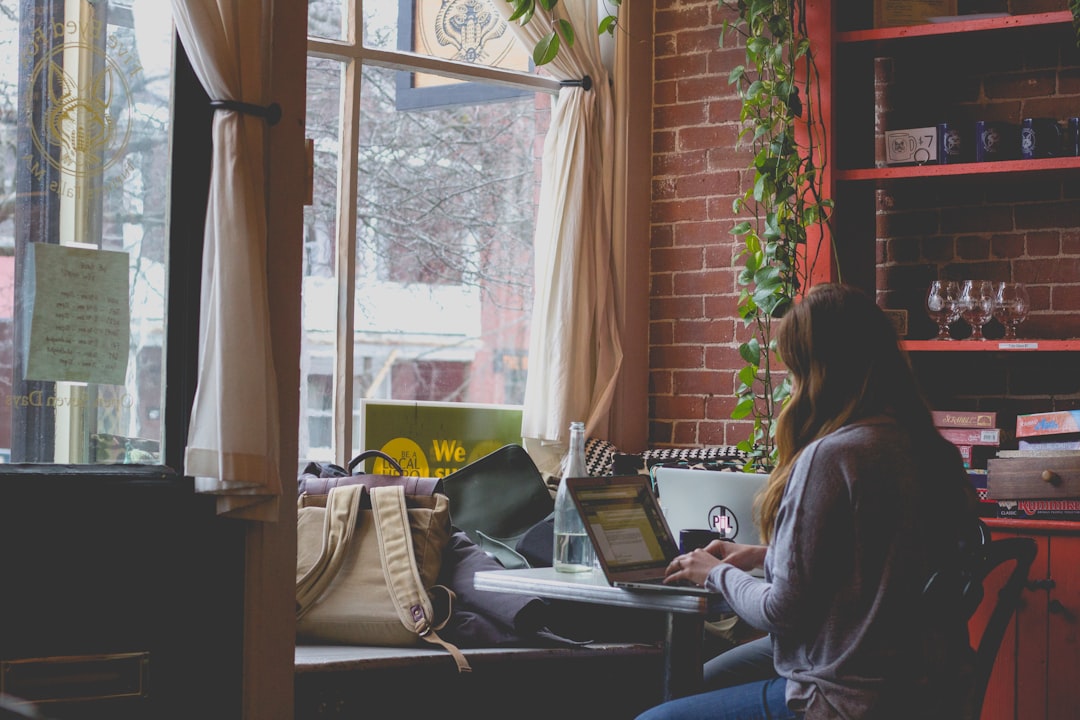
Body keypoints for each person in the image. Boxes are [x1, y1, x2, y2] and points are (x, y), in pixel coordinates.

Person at [636, 283, 982, 720]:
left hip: (848, 695)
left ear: (818, 372)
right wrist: (761, 555)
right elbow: (878, 561)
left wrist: (716, 573)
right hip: (927, 686)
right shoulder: (928, 449)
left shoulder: (834, 456)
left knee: (655, 717)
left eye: (794, 368)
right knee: (695, 683)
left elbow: (780, 611)